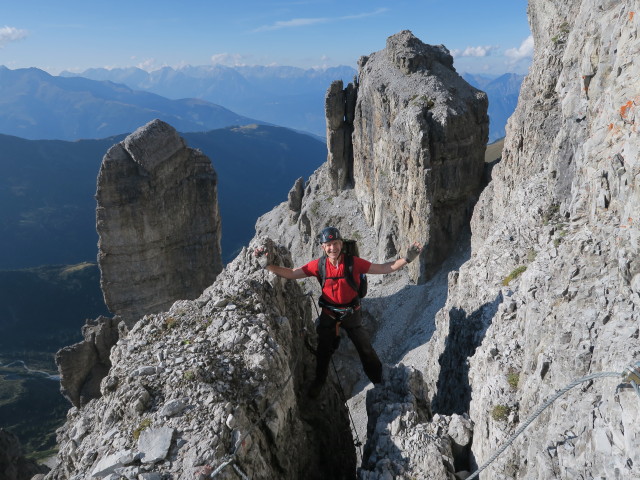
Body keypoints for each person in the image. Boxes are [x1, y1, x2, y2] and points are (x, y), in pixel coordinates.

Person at [254, 226, 422, 398]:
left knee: (365, 349)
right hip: (330, 313)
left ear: (341, 244)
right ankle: (319, 382)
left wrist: (407, 259)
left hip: (351, 314)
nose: (332, 248)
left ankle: (378, 381)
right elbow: (291, 273)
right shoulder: (319, 266)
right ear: (322, 247)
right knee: (323, 350)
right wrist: (268, 266)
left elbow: (384, 268)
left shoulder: (353, 263)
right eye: (328, 244)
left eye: (335, 243)